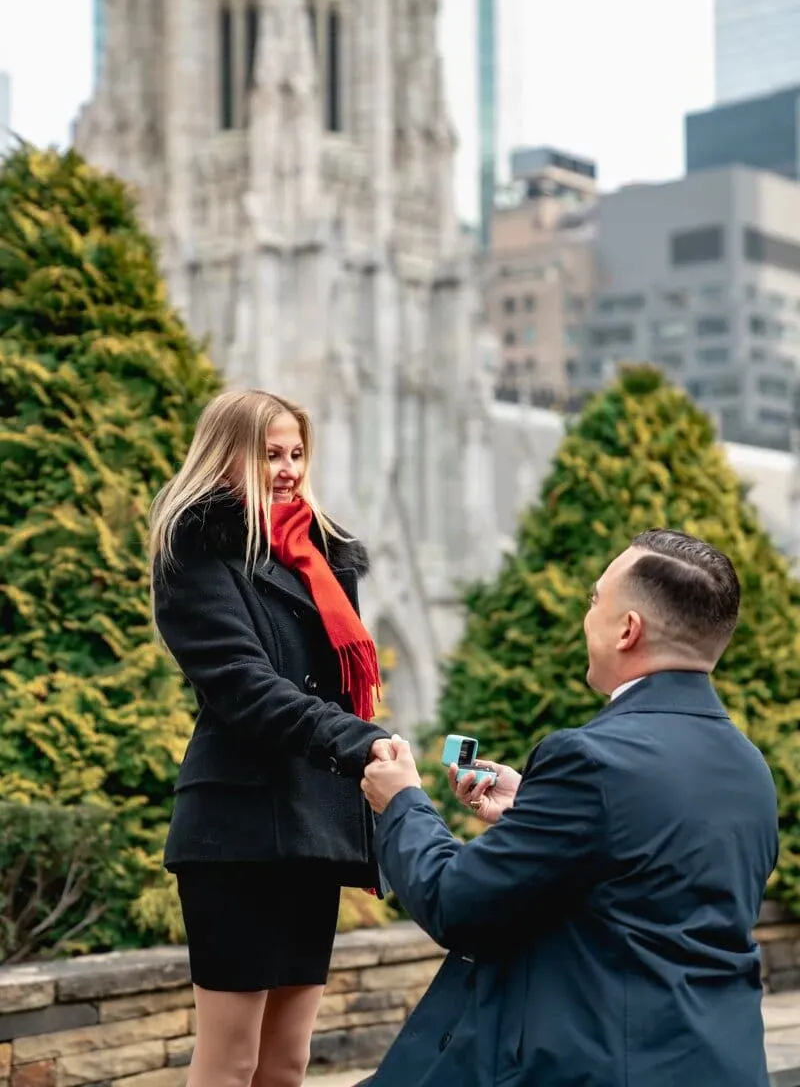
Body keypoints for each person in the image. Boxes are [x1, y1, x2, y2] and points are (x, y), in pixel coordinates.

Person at [360, 530, 779, 1087]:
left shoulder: (590, 760)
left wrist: (403, 803)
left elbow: (456, 902)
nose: (587, 616)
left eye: (594, 600)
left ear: (628, 630)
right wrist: (533, 810)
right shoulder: (750, 767)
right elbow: (645, 880)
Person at [149, 388, 392, 1087]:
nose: (286, 468)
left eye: (295, 453)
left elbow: (337, 690)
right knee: (230, 1061)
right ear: (226, 458)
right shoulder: (196, 553)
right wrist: (358, 742)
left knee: (287, 1062)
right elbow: (247, 690)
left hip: (313, 828)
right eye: (268, 454)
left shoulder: (319, 559)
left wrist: (369, 748)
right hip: (238, 832)